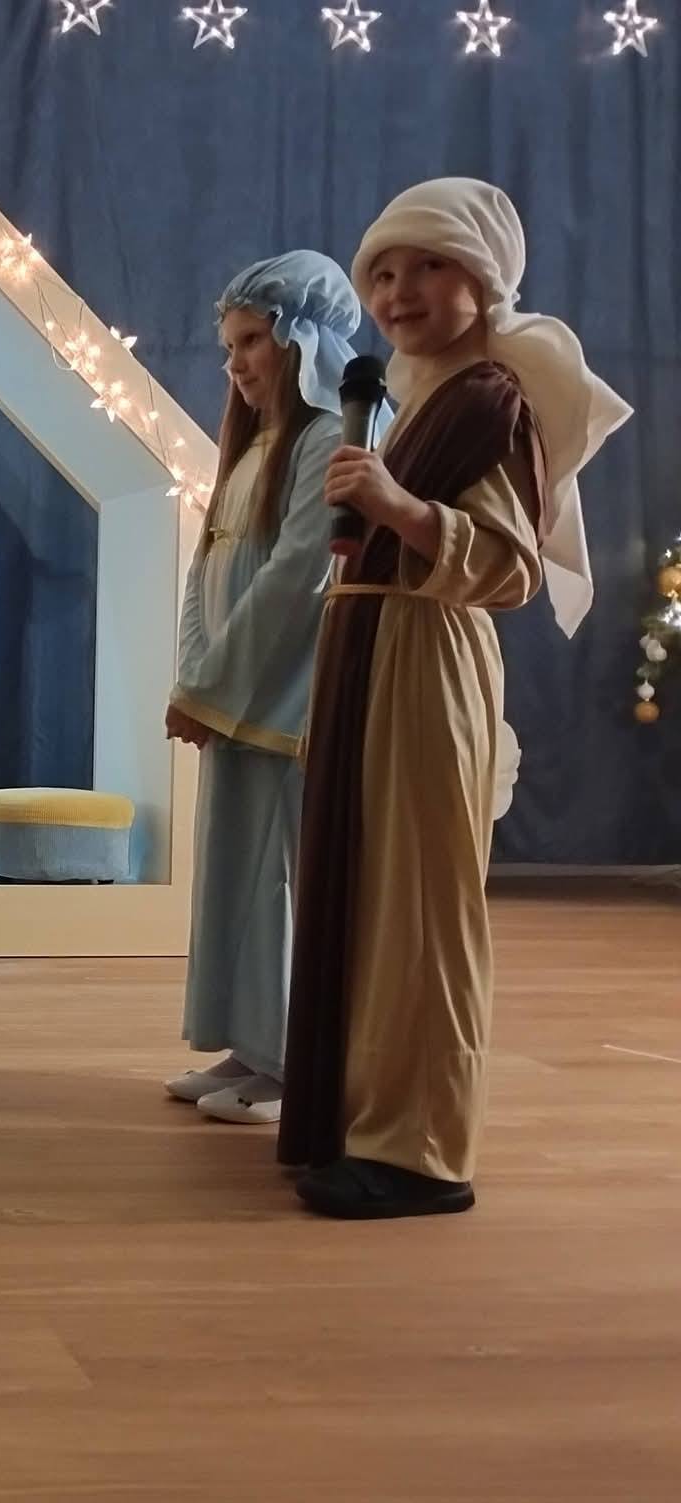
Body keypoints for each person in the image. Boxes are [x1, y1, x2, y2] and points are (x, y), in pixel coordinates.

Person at [280, 179, 629, 1218]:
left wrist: (396, 505)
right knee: (374, 897)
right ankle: (364, 1118)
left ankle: (422, 1150)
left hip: (427, 658)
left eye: (426, 266)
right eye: (381, 273)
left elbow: (511, 569)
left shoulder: (489, 403)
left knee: (422, 907)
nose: (398, 292)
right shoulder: (422, 397)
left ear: (480, 279)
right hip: (376, 650)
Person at [161, 253, 360, 1127]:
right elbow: (207, 572)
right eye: (230, 346)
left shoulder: (329, 437)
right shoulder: (252, 449)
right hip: (233, 701)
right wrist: (197, 680)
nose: (236, 362)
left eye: (251, 341)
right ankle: (249, 1042)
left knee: (277, 882)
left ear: (300, 339)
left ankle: (290, 1062)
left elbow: (295, 578)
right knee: (234, 876)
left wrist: (215, 685)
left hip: (285, 704)